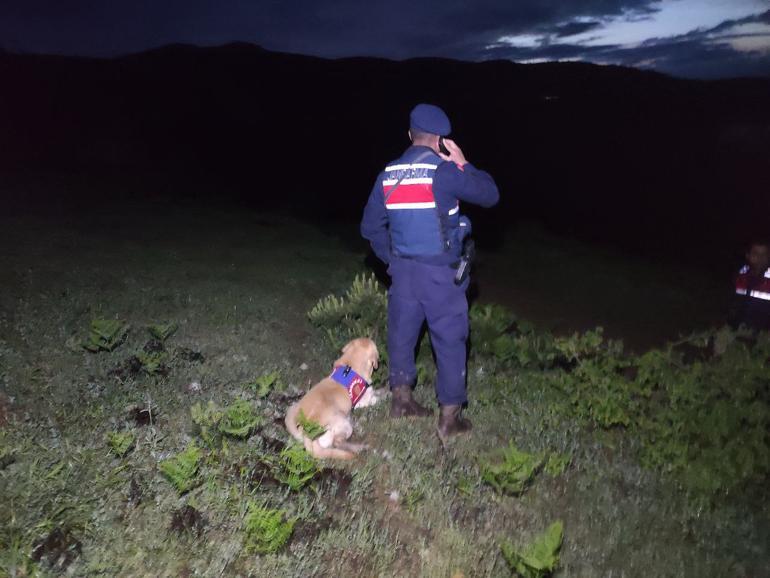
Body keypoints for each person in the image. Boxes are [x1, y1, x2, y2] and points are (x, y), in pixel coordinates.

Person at [360, 103, 499, 440]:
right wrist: (463, 162)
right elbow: (490, 194)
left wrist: (392, 260)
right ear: (439, 140)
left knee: (402, 334)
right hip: (441, 274)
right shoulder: (446, 171)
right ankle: (449, 420)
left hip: (403, 274)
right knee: (450, 340)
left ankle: (401, 401)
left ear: (410, 135)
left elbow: (370, 228)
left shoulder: (388, 174)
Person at [728, 239, 770, 332]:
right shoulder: (740, 275)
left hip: (764, 333)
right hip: (737, 329)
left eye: (764, 254)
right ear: (748, 256)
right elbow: (731, 303)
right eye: (755, 253)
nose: (760, 258)